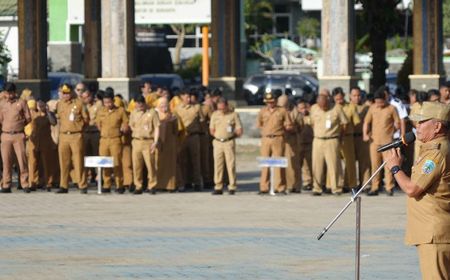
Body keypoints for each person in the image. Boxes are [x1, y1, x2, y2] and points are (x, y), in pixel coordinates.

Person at [386, 101, 450, 279]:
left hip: (434, 234)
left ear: (437, 126)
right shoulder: (437, 149)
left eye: (422, 122)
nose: (417, 126)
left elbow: (412, 188)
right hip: (436, 232)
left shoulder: (436, 154)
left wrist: (395, 168)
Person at [310, 89, 348, 195]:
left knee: (334, 165)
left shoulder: (336, 108)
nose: (323, 108)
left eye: (325, 105)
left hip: (332, 139)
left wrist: (339, 136)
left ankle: (336, 188)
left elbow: (344, 124)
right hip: (318, 140)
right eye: (321, 106)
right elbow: (312, 123)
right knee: (317, 165)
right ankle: (317, 188)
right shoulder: (314, 108)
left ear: (328, 101)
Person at [363, 87, 400, 196]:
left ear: (385, 99)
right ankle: (375, 187)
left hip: (388, 142)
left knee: (388, 165)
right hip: (374, 142)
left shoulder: (392, 108)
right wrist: (365, 134)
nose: (379, 104)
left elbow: (397, 123)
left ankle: (389, 187)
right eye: (377, 102)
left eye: (381, 102)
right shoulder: (372, 108)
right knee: (375, 165)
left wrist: (393, 132)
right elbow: (366, 122)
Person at [55, 83, 89, 194]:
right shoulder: (59, 104)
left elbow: (86, 119)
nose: (65, 95)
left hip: (76, 135)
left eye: (67, 93)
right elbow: (58, 119)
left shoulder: (79, 103)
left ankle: (82, 185)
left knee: (78, 161)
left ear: (71, 93)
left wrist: (79, 128)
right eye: (63, 93)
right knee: (63, 162)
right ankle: (63, 185)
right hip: (63, 135)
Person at [257, 91, 293, 194]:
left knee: (279, 163)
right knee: (265, 163)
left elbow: (288, 124)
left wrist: (287, 128)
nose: (270, 104)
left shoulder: (282, 111)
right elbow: (259, 124)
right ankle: (264, 187)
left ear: (276, 101)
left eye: (272, 102)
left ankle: (280, 187)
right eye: (268, 102)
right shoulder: (262, 111)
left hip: (278, 138)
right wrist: (265, 131)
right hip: (266, 139)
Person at [0, 83, 32, 193]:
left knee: (22, 160)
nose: (9, 95)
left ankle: (24, 184)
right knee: (6, 161)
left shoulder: (22, 103)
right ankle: (6, 185)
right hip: (6, 135)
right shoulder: (2, 104)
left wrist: (19, 125)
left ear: (15, 91)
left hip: (19, 135)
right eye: (7, 93)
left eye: (11, 93)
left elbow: (28, 118)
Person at [96, 90, 129, 194]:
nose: (107, 105)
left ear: (113, 101)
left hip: (115, 139)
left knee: (116, 163)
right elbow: (98, 124)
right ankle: (106, 185)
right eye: (105, 102)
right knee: (104, 163)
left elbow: (126, 122)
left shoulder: (120, 110)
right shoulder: (101, 111)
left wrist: (124, 128)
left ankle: (119, 185)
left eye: (109, 102)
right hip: (104, 140)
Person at [209, 97, 243, 195]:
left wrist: (231, 136)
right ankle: (218, 186)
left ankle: (232, 186)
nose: (221, 110)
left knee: (230, 164)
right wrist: (218, 137)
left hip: (229, 142)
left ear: (227, 106)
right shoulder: (215, 115)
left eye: (223, 108)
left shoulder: (233, 115)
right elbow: (211, 130)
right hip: (218, 142)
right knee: (218, 165)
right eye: (219, 108)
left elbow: (239, 130)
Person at [174, 89, 205, 191]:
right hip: (182, 137)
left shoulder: (197, 107)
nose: (188, 99)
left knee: (195, 160)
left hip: (194, 136)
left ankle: (197, 182)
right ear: (181, 97)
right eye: (186, 97)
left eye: (189, 97)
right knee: (183, 160)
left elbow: (202, 121)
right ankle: (185, 182)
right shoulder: (177, 109)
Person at [129, 96, 160, 195]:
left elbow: (157, 127)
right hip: (137, 141)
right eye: (137, 104)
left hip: (148, 141)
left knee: (150, 165)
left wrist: (155, 141)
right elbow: (131, 124)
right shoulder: (134, 112)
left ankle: (152, 185)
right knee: (136, 165)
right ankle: (138, 186)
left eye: (141, 104)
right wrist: (136, 131)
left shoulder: (152, 112)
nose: (139, 106)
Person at [333, 87, 360, 192]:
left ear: (344, 96)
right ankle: (334, 185)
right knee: (334, 162)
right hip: (333, 138)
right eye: (337, 99)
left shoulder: (351, 107)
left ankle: (351, 184)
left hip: (347, 138)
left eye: (340, 98)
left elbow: (357, 122)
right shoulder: (332, 108)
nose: (339, 101)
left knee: (350, 162)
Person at [27, 101, 57, 192]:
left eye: (42, 106)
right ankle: (33, 183)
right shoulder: (33, 114)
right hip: (34, 141)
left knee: (46, 163)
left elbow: (54, 123)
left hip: (45, 141)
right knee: (33, 163)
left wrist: (48, 112)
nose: (40, 107)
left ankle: (47, 183)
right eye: (39, 106)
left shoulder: (49, 115)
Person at [278, 94, 303, 193]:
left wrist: (292, 129)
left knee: (293, 164)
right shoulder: (277, 111)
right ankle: (281, 185)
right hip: (279, 141)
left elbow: (301, 126)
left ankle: (295, 185)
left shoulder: (294, 111)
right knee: (280, 164)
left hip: (291, 140)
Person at [155, 97, 178, 192]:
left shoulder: (173, 116)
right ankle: (159, 185)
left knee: (170, 165)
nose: (164, 107)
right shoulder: (155, 115)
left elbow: (176, 130)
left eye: (165, 105)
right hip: (159, 143)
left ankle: (170, 186)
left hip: (170, 143)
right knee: (158, 164)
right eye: (162, 105)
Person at [350, 87, 370, 187]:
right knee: (350, 162)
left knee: (364, 162)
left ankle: (365, 184)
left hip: (362, 138)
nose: (357, 98)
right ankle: (351, 184)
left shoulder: (366, 108)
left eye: (358, 95)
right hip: (350, 137)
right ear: (350, 96)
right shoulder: (347, 107)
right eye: (354, 96)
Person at [81, 88, 102, 183]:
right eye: (84, 97)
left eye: (88, 96)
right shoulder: (81, 106)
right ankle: (88, 175)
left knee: (96, 153)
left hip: (95, 131)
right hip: (85, 131)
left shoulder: (98, 104)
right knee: (86, 154)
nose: (87, 99)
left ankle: (98, 175)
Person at [297, 99, 313, 191]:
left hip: (309, 143)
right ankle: (297, 182)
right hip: (299, 144)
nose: (303, 110)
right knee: (298, 164)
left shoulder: (310, 117)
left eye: (304, 108)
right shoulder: (297, 118)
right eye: (301, 108)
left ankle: (308, 182)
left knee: (308, 165)